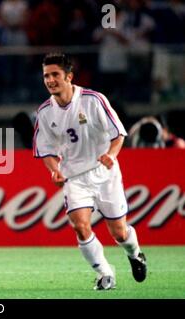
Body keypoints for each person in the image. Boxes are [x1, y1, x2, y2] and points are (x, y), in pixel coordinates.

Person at [33, 53, 147, 290]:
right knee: (80, 225)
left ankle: (135, 254)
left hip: (104, 173)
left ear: (69, 76)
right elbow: (45, 150)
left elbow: (119, 134)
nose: (50, 80)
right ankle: (105, 274)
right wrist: (54, 171)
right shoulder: (44, 112)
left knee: (120, 233)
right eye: (46, 76)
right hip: (74, 177)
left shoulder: (94, 100)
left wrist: (111, 155)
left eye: (55, 74)